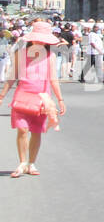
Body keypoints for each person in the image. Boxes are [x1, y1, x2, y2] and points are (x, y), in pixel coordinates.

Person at [1, 20, 66, 177]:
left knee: (36, 131)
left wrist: (60, 99)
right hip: (22, 96)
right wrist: (2, 94)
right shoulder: (21, 54)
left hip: (42, 99)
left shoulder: (50, 56)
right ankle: (22, 162)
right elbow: (12, 76)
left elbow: (53, 79)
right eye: (38, 38)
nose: (40, 41)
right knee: (22, 129)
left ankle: (31, 163)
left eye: (43, 39)